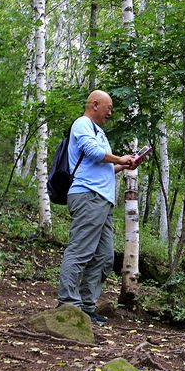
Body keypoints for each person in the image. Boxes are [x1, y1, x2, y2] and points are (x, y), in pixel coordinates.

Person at [56, 90, 138, 324]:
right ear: (94, 104)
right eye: (108, 107)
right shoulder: (82, 124)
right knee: (80, 250)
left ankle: (86, 306)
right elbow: (92, 153)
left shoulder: (99, 132)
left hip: (102, 200)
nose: (110, 112)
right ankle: (68, 304)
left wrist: (123, 165)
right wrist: (119, 158)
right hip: (88, 196)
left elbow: (102, 166)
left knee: (104, 256)